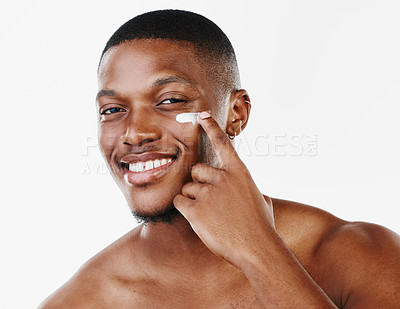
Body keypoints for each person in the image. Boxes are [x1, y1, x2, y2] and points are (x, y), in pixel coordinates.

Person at [39, 9, 400, 308]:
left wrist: (258, 251)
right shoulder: (81, 301)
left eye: (170, 101)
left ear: (236, 113)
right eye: (113, 109)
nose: (134, 133)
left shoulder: (361, 256)